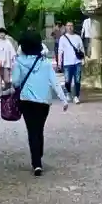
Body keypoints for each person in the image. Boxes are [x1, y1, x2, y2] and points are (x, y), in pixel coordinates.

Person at [8, 29, 70, 175]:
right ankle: (39, 154)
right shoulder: (45, 63)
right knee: (39, 128)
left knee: (32, 131)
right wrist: (63, 99)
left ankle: (36, 162)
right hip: (43, 101)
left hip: (26, 100)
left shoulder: (19, 62)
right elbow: (54, 82)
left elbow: (15, 82)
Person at [56, 20, 84, 102]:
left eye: (71, 25)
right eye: (68, 26)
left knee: (77, 80)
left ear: (73, 27)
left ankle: (76, 96)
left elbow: (82, 49)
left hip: (77, 62)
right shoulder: (63, 38)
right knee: (67, 80)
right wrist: (59, 63)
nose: (70, 27)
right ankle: (68, 93)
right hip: (67, 63)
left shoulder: (78, 37)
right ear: (65, 27)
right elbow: (60, 51)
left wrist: (83, 59)